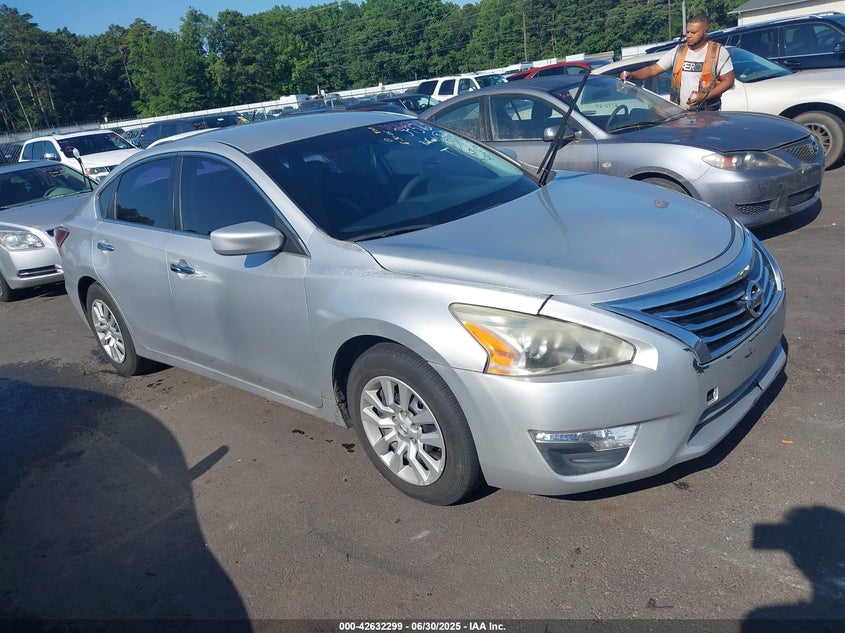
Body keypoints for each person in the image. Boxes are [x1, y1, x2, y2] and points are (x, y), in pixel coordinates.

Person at [621, 13, 735, 111]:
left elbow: (728, 81)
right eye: (687, 32)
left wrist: (704, 96)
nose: (688, 36)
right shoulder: (679, 51)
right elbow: (653, 69)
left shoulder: (718, 52)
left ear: (705, 31)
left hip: (707, 114)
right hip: (680, 114)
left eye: (693, 32)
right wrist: (632, 75)